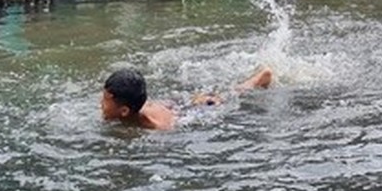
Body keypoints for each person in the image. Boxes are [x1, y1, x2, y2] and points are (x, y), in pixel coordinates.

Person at [100, 66, 274, 129]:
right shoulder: (126, 109)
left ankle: (258, 79)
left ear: (124, 111)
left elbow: (171, 124)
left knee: (222, 98)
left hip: (185, 113)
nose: (100, 104)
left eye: (105, 100)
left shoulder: (157, 127)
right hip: (168, 105)